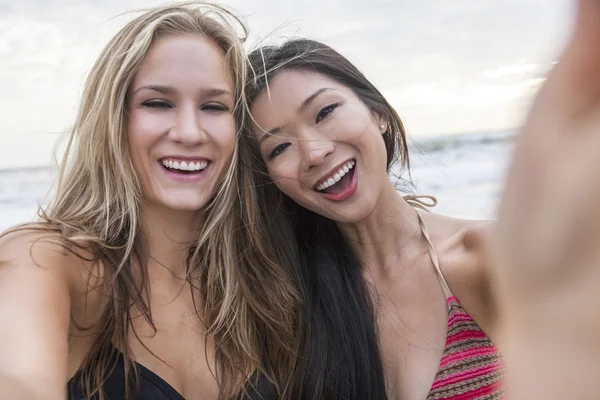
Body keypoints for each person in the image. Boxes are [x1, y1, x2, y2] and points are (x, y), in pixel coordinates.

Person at [0, 3, 297, 399]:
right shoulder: (46, 263)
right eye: (157, 103)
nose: (190, 133)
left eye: (214, 107)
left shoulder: (264, 281)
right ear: (112, 120)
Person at [244, 38, 504, 400]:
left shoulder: (485, 255)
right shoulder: (290, 310)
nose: (315, 153)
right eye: (280, 147)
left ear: (377, 111)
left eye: (324, 113)